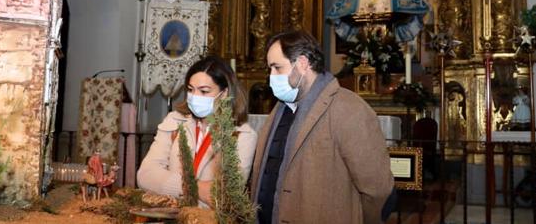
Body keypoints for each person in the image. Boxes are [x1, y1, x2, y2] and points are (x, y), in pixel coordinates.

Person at [250, 30, 394, 224]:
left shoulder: (349, 108)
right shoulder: (279, 109)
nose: (271, 77)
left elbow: (377, 188)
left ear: (302, 64)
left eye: (277, 67)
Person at [137, 56, 257, 206]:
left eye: (204, 91)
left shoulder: (242, 135)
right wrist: (194, 187)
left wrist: (168, 182)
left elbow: (225, 194)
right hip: (168, 214)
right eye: (190, 90)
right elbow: (145, 175)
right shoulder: (174, 121)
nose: (195, 97)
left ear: (224, 93)